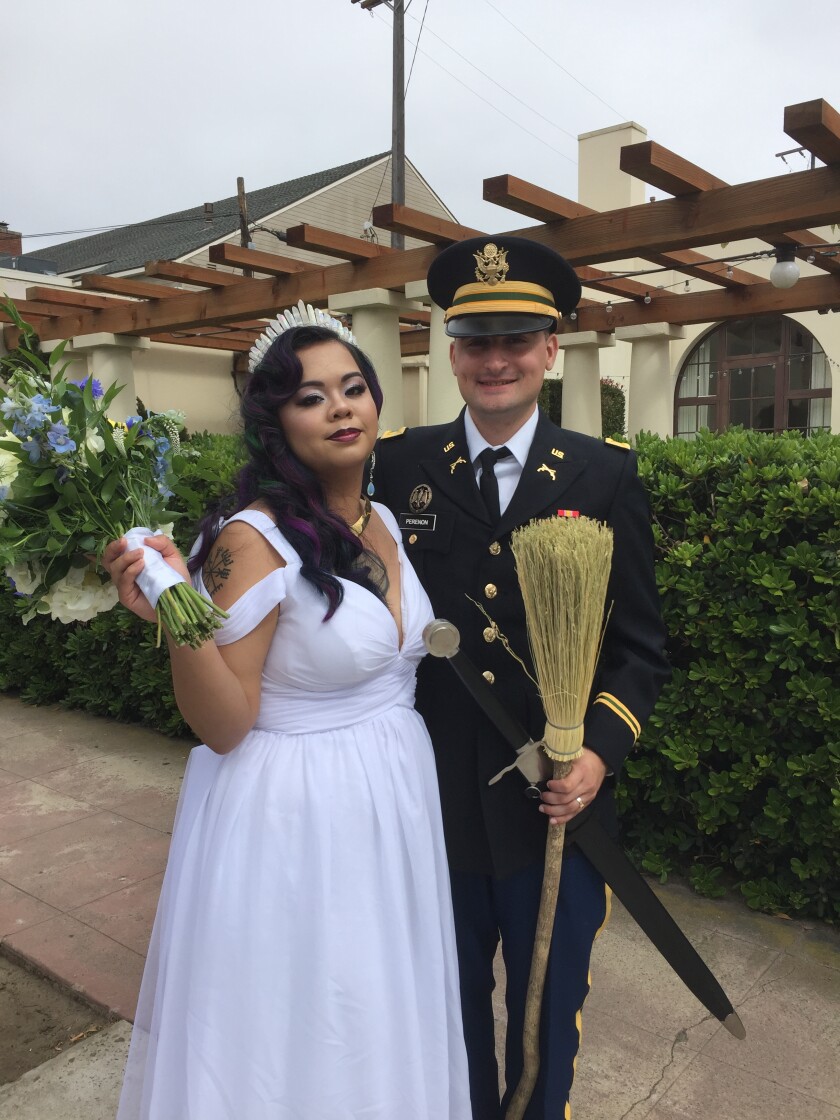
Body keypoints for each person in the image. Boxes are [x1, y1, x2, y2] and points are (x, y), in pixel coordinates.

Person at [103, 309, 472, 1120]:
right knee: (308, 1020)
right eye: (311, 397)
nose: (340, 408)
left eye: (353, 388)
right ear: (276, 423)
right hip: (301, 819)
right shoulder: (253, 541)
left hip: (391, 802)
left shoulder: (380, 520)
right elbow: (224, 724)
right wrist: (178, 613)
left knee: (377, 1008)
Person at [374, 236, 671, 1119]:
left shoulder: (603, 473)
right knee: (446, 1012)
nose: (494, 359)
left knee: (545, 1028)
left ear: (551, 348)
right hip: (431, 803)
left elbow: (640, 647)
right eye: (476, 341)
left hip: (556, 812)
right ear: (451, 352)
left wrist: (599, 756)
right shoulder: (399, 465)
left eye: (516, 340)